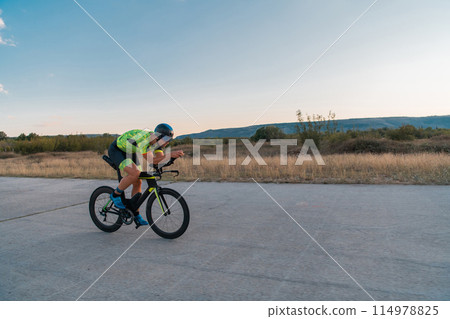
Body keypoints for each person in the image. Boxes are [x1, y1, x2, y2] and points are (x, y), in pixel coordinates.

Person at [107, 124, 184, 225]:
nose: (167, 143)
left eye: (169, 140)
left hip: (130, 151)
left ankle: (135, 213)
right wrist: (169, 155)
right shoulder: (144, 139)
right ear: (158, 137)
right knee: (135, 174)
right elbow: (151, 160)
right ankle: (115, 195)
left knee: (138, 180)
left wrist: (172, 158)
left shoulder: (158, 144)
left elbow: (158, 161)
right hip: (117, 150)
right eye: (166, 140)